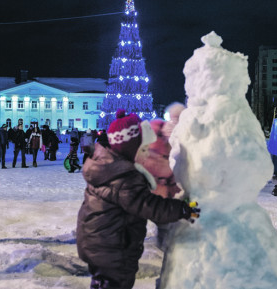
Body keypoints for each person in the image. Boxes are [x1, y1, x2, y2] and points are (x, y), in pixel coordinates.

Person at [76, 109, 199, 289]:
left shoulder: (111, 169)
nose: (146, 154)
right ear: (130, 150)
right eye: (143, 149)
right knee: (115, 284)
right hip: (113, 249)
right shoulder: (123, 179)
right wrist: (182, 209)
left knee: (104, 283)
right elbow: (147, 205)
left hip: (102, 244)